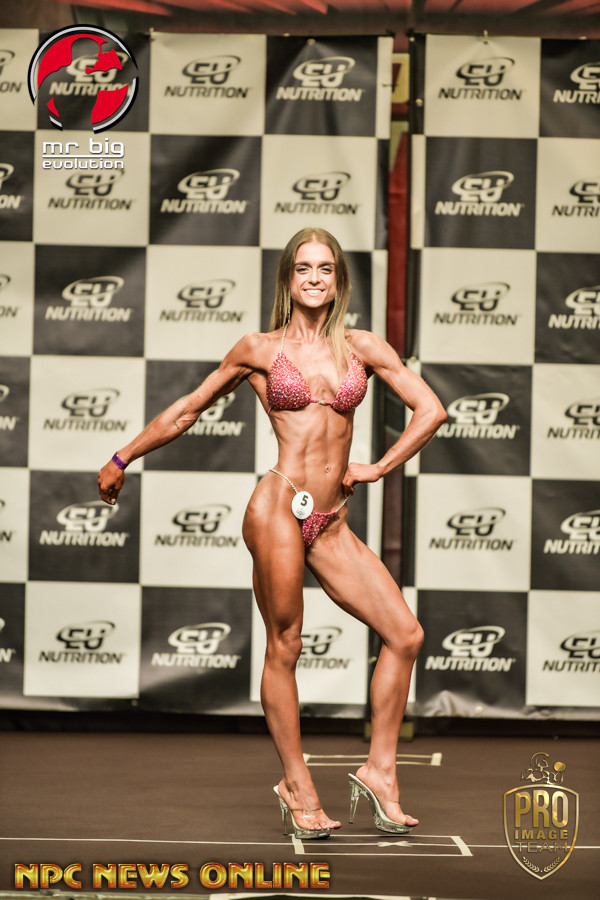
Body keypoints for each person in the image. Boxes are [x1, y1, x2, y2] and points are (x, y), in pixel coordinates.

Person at [97, 227, 447, 840]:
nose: (314, 278)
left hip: (330, 519)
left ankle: (380, 771)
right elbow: (189, 408)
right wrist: (123, 457)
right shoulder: (259, 349)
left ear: (338, 280)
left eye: (326, 269)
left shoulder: (363, 346)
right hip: (278, 506)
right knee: (286, 643)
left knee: (405, 634)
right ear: (288, 278)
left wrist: (379, 466)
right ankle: (297, 782)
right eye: (303, 268)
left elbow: (432, 409)